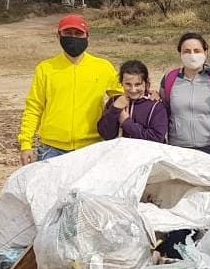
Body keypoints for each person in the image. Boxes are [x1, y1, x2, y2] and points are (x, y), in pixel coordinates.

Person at [17, 14, 121, 165]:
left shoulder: (104, 67)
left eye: (78, 33)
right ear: (58, 36)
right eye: (68, 33)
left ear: (87, 36)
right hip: (51, 150)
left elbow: (123, 96)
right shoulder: (45, 69)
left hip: (91, 148)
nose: (73, 38)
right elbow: (34, 107)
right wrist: (26, 144)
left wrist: (149, 94)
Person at [159, 32, 210, 158]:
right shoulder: (169, 79)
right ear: (180, 54)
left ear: (205, 52)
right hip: (179, 150)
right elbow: (162, 111)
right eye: (186, 51)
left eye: (197, 50)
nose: (192, 55)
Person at [97, 60, 168, 144]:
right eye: (128, 84)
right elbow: (106, 135)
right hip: (120, 154)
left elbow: (157, 138)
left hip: (148, 156)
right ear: (121, 83)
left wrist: (127, 123)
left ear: (146, 83)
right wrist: (115, 109)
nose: (133, 90)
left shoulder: (156, 105)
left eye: (138, 84)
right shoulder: (114, 102)